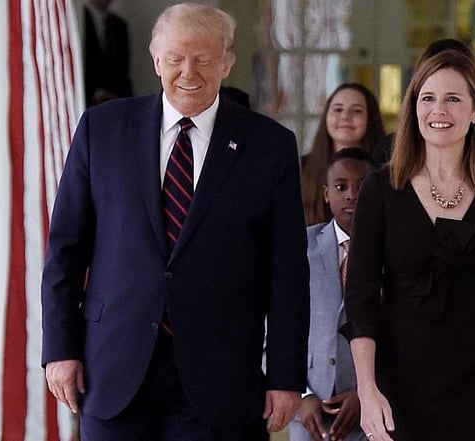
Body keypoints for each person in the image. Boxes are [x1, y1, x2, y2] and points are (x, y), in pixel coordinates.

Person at [42, 3, 310, 440]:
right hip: (113, 366)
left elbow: (287, 273)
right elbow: (65, 252)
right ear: (155, 60)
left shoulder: (269, 146)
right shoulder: (101, 129)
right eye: (175, 58)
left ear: (226, 62)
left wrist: (286, 375)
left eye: (203, 59)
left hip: (220, 375)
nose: (189, 72)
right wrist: (59, 349)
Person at [343, 48, 475, 441]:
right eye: (427, 98)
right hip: (399, 383)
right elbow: (361, 297)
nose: (438, 110)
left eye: (453, 99)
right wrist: (366, 389)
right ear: (413, 108)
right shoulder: (381, 189)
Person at [292, 148, 376, 441]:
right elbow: (273, 328)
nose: (351, 195)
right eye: (341, 187)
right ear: (326, 194)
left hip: (374, 413)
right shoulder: (300, 248)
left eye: (363, 186)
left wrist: (368, 392)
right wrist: (300, 395)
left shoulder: (395, 252)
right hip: (311, 414)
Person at [301, 83, 386, 226]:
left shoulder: (385, 172)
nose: (345, 117)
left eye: (357, 111)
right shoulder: (300, 168)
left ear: (370, 119)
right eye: (338, 110)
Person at [83, 0, 133, 106]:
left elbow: (123, 72)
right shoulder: (79, 21)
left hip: (116, 102)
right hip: (86, 101)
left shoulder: (119, 25)